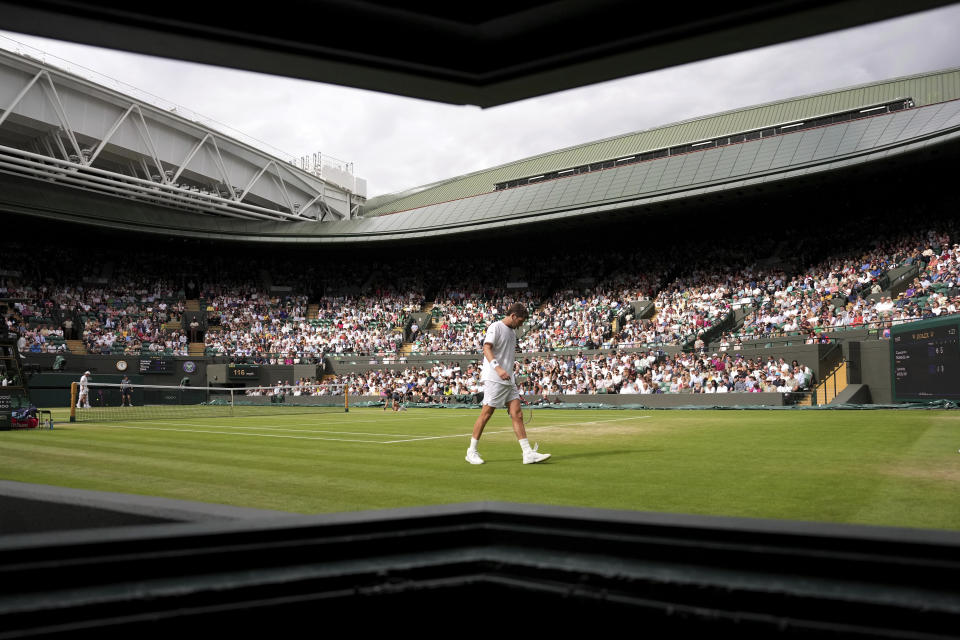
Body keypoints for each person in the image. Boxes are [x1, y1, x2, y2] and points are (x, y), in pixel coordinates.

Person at [466, 303, 550, 465]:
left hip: (508, 380)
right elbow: (486, 348)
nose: (521, 324)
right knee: (486, 414)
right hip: (494, 377)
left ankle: (527, 453)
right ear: (512, 316)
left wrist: (509, 374)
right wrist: (497, 368)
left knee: (517, 414)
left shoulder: (512, 333)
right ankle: (471, 451)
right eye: (520, 320)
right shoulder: (496, 327)